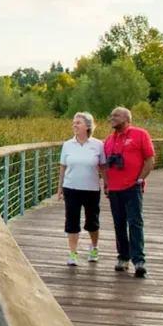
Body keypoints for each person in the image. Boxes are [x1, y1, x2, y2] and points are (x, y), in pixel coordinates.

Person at [103, 107, 156, 278]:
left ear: (127, 118)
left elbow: (149, 160)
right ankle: (123, 258)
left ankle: (139, 261)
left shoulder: (140, 134)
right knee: (119, 224)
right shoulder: (108, 140)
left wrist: (140, 179)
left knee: (135, 222)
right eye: (111, 115)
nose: (112, 118)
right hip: (114, 189)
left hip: (133, 187)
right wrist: (107, 184)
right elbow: (104, 165)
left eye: (116, 115)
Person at [57, 112, 106, 266]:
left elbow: (103, 167)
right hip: (71, 187)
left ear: (88, 126)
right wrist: (60, 188)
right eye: (74, 122)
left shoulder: (98, 145)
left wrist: (107, 184)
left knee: (92, 221)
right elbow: (63, 168)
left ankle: (94, 247)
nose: (75, 125)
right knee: (71, 221)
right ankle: (73, 253)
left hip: (91, 188)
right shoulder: (67, 145)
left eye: (78, 122)